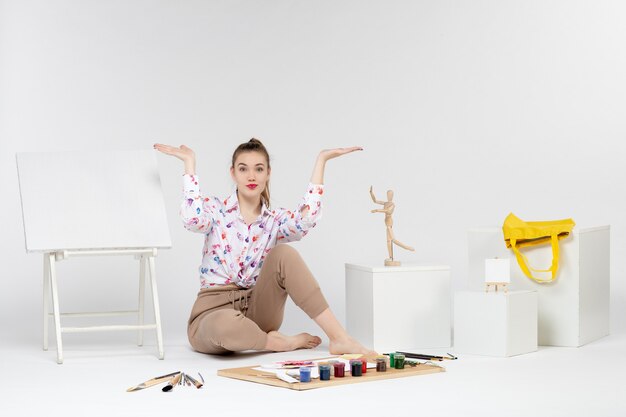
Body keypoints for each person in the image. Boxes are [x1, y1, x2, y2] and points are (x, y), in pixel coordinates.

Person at [154, 139, 372, 355]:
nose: (251, 176)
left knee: (284, 253)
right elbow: (192, 220)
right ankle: (277, 343)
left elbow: (306, 220)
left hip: (259, 311)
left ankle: (339, 338)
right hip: (213, 313)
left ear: (268, 173)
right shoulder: (215, 209)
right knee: (224, 325)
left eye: (259, 169)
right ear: (233, 173)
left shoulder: (275, 220)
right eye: (243, 169)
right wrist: (189, 164)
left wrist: (321, 160)